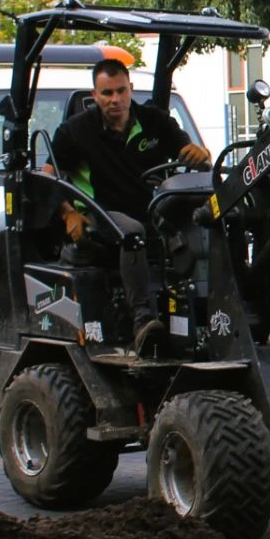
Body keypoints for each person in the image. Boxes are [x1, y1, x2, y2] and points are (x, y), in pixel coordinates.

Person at [49, 58, 209, 350]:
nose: (115, 100)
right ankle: (142, 320)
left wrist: (198, 152)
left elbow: (187, 148)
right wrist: (68, 212)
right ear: (94, 95)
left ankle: (208, 312)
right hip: (100, 216)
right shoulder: (75, 132)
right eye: (107, 93)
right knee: (132, 232)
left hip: (151, 210)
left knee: (201, 221)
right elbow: (49, 177)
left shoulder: (155, 121)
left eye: (121, 91)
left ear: (131, 89)